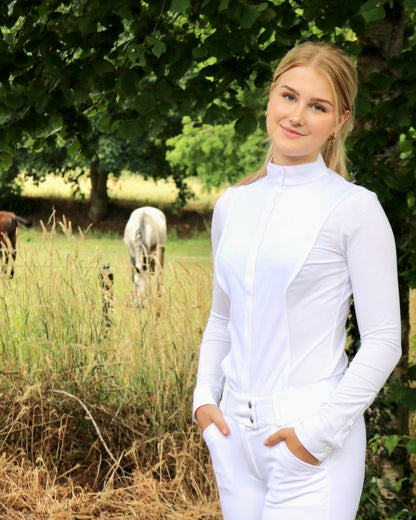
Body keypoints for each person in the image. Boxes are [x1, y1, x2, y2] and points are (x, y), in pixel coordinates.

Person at [192, 41, 401, 520]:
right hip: (232, 439)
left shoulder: (355, 208)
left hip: (310, 444)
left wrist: (316, 436)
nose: (297, 116)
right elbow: (222, 318)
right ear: (270, 98)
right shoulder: (233, 205)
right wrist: (204, 400)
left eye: (318, 106)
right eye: (289, 96)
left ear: (340, 121)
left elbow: (385, 340)